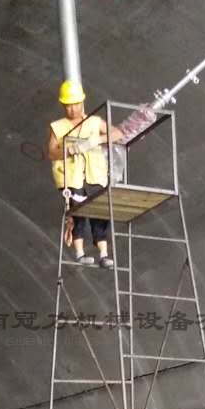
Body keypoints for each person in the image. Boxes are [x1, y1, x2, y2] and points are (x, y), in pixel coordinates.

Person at [47, 80, 123, 268]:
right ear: (63, 105)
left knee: (100, 211)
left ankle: (104, 253)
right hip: (71, 176)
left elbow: (118, 134)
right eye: (68, 105)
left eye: (76, 104)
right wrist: (69, 150)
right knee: (78, 212)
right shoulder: (58, 126)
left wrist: (97, 140)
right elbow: (51, 152)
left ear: (82, 102)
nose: (72, 109)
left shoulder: (94, 122)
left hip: (95, 174)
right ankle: (80, 253)